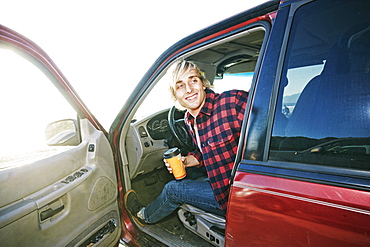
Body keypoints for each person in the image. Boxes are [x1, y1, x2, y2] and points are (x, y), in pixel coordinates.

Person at [125, 60, 249, 225]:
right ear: (175, 94)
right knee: (190, 176)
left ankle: (143, 217)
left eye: (193, 80)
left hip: (237, 198)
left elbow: (273, 133)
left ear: (203, 83)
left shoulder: (232, 102)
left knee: (172, 190)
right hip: (223, 182)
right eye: (180, 85)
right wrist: (185, 162)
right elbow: (206, 151)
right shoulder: (189, 119)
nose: (189, 89)